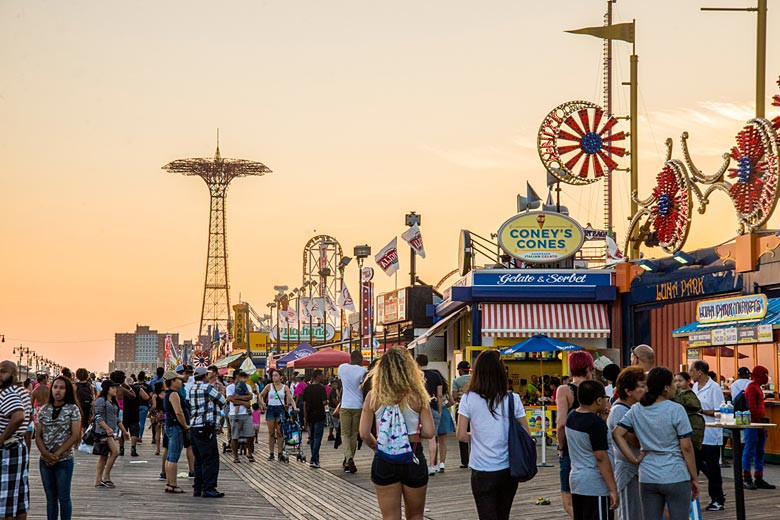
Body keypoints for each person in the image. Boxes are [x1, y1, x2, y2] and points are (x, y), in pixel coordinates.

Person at [613, 367, 699, 520]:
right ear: (666, 388)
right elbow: (686, 447)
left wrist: (634, 459)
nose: (676, 386)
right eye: (673, 383)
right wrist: (694, 477)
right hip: (675, 474)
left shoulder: (637, 409)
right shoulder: (676, 410)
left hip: (647, 475)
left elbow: (617, 433)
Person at [360, 347, 435, 520]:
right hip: (413, 456)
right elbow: (430, 432)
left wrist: (377, 446)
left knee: (390, 516)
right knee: (416, 515)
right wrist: (414, 433)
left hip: (385, 458)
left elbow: (364, 433)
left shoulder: (373, 396)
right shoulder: (417, 396)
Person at [456, 350, 530, 520]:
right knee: (503, 515)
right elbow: (526, 432)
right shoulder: (512, 398)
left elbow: (460, 435)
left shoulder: (468, 398)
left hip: (481, 469)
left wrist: (477, 437)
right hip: (508, 468)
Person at [36, 376, 81, 520]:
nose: (58, 391)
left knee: (64, 497)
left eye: (62, 388)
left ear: (67, 391)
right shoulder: (44, 409)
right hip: (45, 460)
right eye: (55, 387)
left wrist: (56, 455)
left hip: (64, 460)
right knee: (51, 499)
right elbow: (38, 436)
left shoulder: (72, 409)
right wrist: (46, 454)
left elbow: (74, 435)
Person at [556, 350, 594, 519]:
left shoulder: (565, 390)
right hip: (593, 448)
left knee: (568, 501)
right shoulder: (596, 389)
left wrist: (561, 447)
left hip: (572, 449)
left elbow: (561, 424)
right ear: (588, 367)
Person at [605, 366, 646, 520]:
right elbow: (635, 441)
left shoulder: (633, 408)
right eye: (640, 387)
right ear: (628, 391)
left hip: (637, 470)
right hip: (628, 470)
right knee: (630, 513)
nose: (645, 390)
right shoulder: (619, 411)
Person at [689, 359, 726, 511]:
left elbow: (721, 410)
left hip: (711, 433)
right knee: (695, 465)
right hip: (697, 435)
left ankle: (718, 499)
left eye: (692, 370)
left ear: (700, 371)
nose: (690, 373)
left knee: (713, 468)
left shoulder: (714, 388)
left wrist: (702, 411)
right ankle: (691, 499)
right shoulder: (695, 387)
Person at [0, 361, 32, 520]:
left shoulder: (7, 393)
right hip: (18, 446)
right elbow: (28, 417)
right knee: (19, 496)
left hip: (7, 449)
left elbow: (18, 416)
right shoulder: (22, 392)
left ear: (13, 375)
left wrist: (1, 438)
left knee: (5, 499)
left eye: (3, 372)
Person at [188, 366, 227, 498]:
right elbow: (222, 400)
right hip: (205, 427)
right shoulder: (207, 388)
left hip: (194, 427)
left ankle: (197, 487)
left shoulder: (192, 389)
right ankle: (209, 487)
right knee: (211, 458)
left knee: (198, 459)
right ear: (205, 376)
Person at [742, 365, 775, 490]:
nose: (766, 377)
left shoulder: (757, 388)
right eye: (765, 374)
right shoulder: (752, 388)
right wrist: (758, 423)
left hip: (759, 424)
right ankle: (747, 477)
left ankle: (758, 477)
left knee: (759, 452)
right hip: (753, 424)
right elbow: (752, 408)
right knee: (749, 450)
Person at [93, 380, 127, 489]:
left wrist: (124, 431)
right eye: (113, 387)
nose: (115, 389)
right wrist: (107, 428)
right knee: (115, 452)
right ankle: (105, 477)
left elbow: (116, 418)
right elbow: (97, 417)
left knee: (104, 456)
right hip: (103, 432)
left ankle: (100, 480)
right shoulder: (101, 401)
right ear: (107, 388)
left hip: (110, 432)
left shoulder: (112, 401)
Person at [338, 350, 367, 474]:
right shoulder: (363, 371)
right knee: (354, 434)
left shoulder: (342, 368)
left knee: (344, 434)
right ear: (358, 358)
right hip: (358, 405)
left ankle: (348, 458)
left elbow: (341, 386)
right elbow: (364, 388)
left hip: (345, 405)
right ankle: (349, 460)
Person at [415, 354, 443, 477]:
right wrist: (440, 409)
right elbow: (440, 394)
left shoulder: (415, 376)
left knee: (417, 436)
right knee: (433, 437)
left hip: (418, 408)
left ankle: (417, 462)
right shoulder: (436, 375)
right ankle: (432, 466)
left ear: (417, 363)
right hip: (433, 407)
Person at [259, 369, 295, 461]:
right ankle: (271, 454)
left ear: (280, 377)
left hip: (280, 409)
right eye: (273, 375)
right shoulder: (269, 386)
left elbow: (290, 398)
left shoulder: (285, 387)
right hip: (271, 408)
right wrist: (262, 403)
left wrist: (295, 407)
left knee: (279, 432)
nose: (274, 377)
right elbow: (261, 395)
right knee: (271, 433)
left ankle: (279, 453)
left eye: (276, 375)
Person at [163, 370, 189, 493]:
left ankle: (169, 483)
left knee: (169, 456)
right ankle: (173, 484)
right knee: (173, 456)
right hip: (175, 427)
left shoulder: (167, 394)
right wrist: (185, 425)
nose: (180, 382)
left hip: (170, 426)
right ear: (172, 381)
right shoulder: (174, 395)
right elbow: (178, 412)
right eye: (178, 380)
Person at [226, 370, 255, 463]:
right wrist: (244, 402)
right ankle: (235, 456)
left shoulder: (247, 386)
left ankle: (249, 453)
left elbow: (250, 397)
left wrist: (238, 398)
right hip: (235, 414)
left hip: (246, 414)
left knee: (250, 435)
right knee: (235, 435)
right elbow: (231, 399)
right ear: (237, 377)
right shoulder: (230, 387)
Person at [673, 372, 704, 453]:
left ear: (688, 381)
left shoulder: (688, 395)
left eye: (680, 381)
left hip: (692, 430)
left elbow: (696, 406)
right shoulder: (676, 394)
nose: (677, 383)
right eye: (675, 381)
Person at [302, 369, 328, 468]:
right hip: (319, 415)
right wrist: (327, 402)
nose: (323, 377)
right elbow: (324, 402)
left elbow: (304, 404)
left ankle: (315, 459)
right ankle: (314, 459)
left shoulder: (307, 389)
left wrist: (305, 418)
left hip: (310, 415)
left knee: (312, 437)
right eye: (321, 375)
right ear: (317, 376)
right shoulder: (321, 389)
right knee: (317, 437)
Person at [432, 369, 455, 472]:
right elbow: (452, 401)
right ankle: (442, 464)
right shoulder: (445, 388)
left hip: (433, 411)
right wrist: (445, 406)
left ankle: (434, 463)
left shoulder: (431, 388)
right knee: (443, 441)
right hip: (444, 412)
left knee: (433, 440)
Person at [451, 360, 471, 469]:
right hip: (474, 411)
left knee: (462, 435)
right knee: (474, 434)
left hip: (461, 410)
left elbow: (453, 396)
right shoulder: (474, 379)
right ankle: (474, 458)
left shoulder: (456, 381)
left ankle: (465, 461)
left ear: (461, 370)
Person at [74, 368, 96, 436]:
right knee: (86, 424)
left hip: (78, 405)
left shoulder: (75, 385)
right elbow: (93, 397)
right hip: (87, 406)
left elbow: (73, 396)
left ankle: (78, 439)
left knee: (78, 422)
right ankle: (85, 437)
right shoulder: (90, 385)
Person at [135, 371, 152, 443]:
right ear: (144, 378)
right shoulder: (148, 386)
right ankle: (139, 437)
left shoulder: (134, 386)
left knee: (135, 422)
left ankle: (134, 436)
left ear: (137, 378)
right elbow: (151, 395)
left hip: (135, 406)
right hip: (144, 406)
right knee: (142, 422)